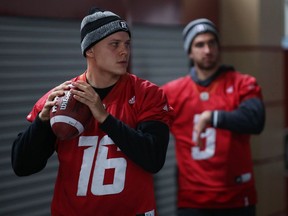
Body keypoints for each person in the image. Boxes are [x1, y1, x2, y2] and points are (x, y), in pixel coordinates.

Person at [11, 7, 174, 216]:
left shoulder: (147, 94)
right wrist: (43, 121)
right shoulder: (61, 97)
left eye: (127, 44)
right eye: (114, 44)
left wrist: (105, 118)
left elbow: (154, 159)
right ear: (90, 50)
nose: (124, 51)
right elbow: (22, 166)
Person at [161, 18, 265, 216]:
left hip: (237, 196)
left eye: (212, 43)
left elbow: (256, 119)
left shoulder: (243, 83)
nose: (207, 50)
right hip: (193, 199)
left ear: (218, 47)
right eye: (199, 44)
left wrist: (213, 116)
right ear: (190, 52)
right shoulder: (172, 92)